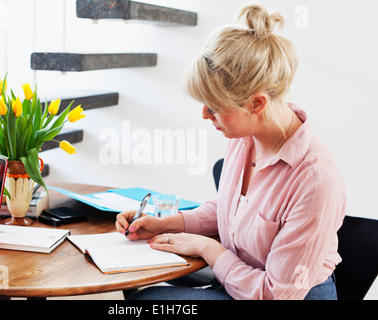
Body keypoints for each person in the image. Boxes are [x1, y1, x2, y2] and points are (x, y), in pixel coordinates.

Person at [115, 4, 346, 300]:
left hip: (285, 296)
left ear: (256, 104)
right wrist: (168, 222)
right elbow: (233, 211)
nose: (203, 115)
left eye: (214, 107)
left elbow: (277, 293)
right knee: (146, 297)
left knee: (149, 301)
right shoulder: (244, 137)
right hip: (238, 281)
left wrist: (206, 247)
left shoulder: (316, 179)